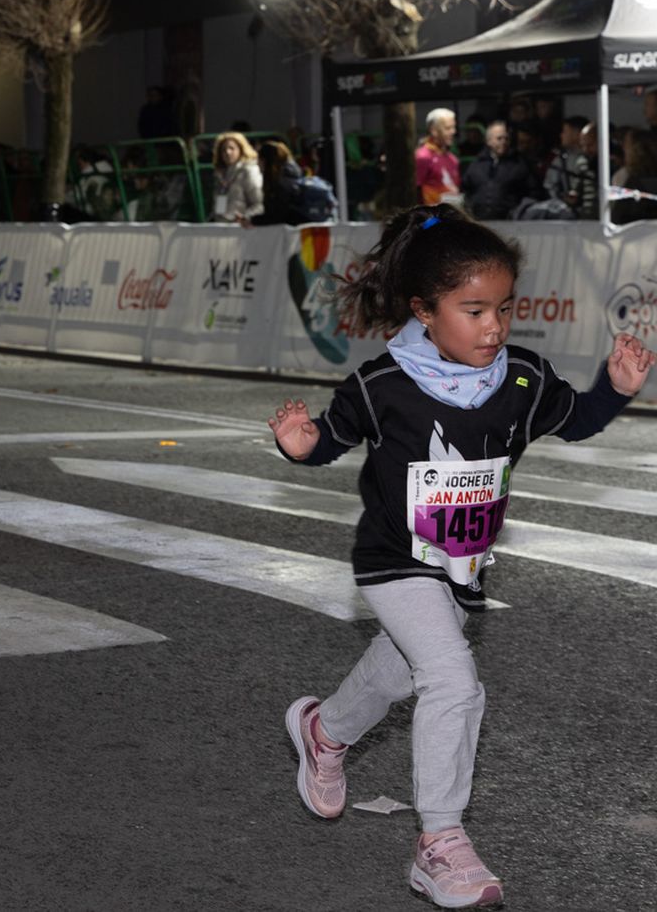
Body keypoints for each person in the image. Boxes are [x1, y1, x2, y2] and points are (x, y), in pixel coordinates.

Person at [269, 204, 654, 910]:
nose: (494, 326)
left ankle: (322, 730)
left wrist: (616, 389)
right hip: (393, 559)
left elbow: (577, 419)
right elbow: (328, 438)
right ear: (423, 310)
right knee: (453, 679)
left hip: (461, 563)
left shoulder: (522, 379)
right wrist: (299, 444)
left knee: (402, 666)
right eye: (473, 310)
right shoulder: (382, 384)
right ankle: (439, 842)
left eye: (504, 308)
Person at [460, 121, 541, 220]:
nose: (503, 142)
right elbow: (465, 189)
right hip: (479, 220)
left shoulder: (520, 164)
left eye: (506, 138)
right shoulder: (477, 164)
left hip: (511, 222)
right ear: (488, 141)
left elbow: (533, 192)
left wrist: (520, 211)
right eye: (499, 138)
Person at [210, 131, 263, 224]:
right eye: (223, 149)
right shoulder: (220, 174)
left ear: (241, 149)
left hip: (243, 228)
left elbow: (259, 204)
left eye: (232, 148)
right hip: (223, 227)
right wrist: (216, 219)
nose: (227, 152)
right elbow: (219, 207)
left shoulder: (249, 171)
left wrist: (244, 218)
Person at [542, 115, 591, 213]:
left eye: (565, 131)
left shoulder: (594, 158)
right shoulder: (561, 160)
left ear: (577, 133)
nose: (561, 135)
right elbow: (550, 186)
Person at [415, 108, 461, 206]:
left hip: (450, 215)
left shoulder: (453, 159)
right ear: (434, 131)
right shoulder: (423, 156)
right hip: (431, 219)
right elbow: (414, 192)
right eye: (448, 128)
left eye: (453, 127)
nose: (453, 132)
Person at [251, 140, 302, 225]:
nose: (257, 164)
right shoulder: (290, 176)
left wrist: (253, 221)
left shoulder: (282, 183)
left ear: (266, 161)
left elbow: (278, 216)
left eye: (259, 160)